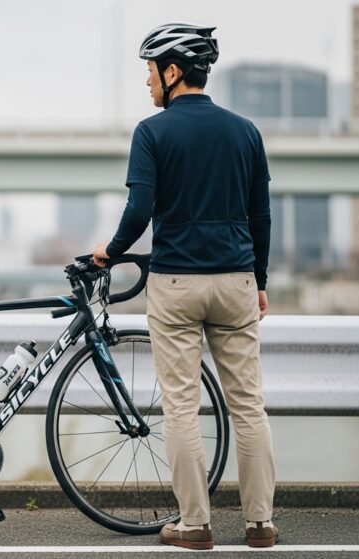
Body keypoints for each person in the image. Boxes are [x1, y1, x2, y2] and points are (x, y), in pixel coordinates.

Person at [92, 21, 277, 550]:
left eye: (150, 71)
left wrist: (111, 250)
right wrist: (258, 281)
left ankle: (195, 525)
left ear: (173, 72)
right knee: (248, 405)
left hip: (176, 282)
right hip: (237, 280)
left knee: (180, 405)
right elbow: (260, 216)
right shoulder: (246, 132)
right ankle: (260, 525)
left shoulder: (152, 133)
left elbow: (140, 209)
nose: (148, 83)